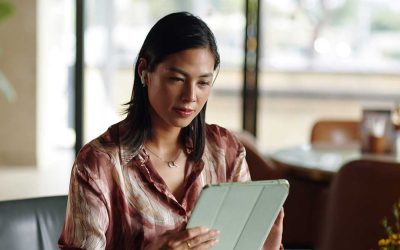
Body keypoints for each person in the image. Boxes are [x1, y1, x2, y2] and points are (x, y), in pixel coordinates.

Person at [59, 11, 283, 250]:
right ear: (144, 71)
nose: (190, 97)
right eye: (176, 79)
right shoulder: (99, 164)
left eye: (203, 83)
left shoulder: (224, 151)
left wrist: (266, 245)